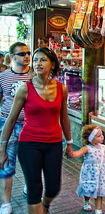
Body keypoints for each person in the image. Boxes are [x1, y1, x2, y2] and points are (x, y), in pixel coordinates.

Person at [0, 47, 73, 214]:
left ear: (52, 64)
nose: (37, 63)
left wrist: (69, 143)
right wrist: (1, 149)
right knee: (34, 188)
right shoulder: (25, 88)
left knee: (53, 188)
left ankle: (46, 206)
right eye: (35, 60)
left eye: (43, 60)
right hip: (29, 144)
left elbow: (64, 119)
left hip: (53, 144)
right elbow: (11, 119)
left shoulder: (62, 89)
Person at [0, 42, 32, 214]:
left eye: (28, 53)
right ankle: (6, 202)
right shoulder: (3, 77)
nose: (26, 56)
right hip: (7, 124)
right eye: (22, 54)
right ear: (12, 57)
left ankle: (29, 185)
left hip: (30, 125)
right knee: (6, 163)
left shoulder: (34, 75)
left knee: (30, 160)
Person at [68, 125, 105, 214]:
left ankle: (98, 210)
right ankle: (86, 202)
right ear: (91, 138)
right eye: (99, 136)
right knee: (88, 190)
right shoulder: (87, 148)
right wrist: (72, 154)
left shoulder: (103, 148)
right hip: (89, 174)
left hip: (100, 175)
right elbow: (78, 153)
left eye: (102, 134)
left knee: (99, 192)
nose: (102, 137)